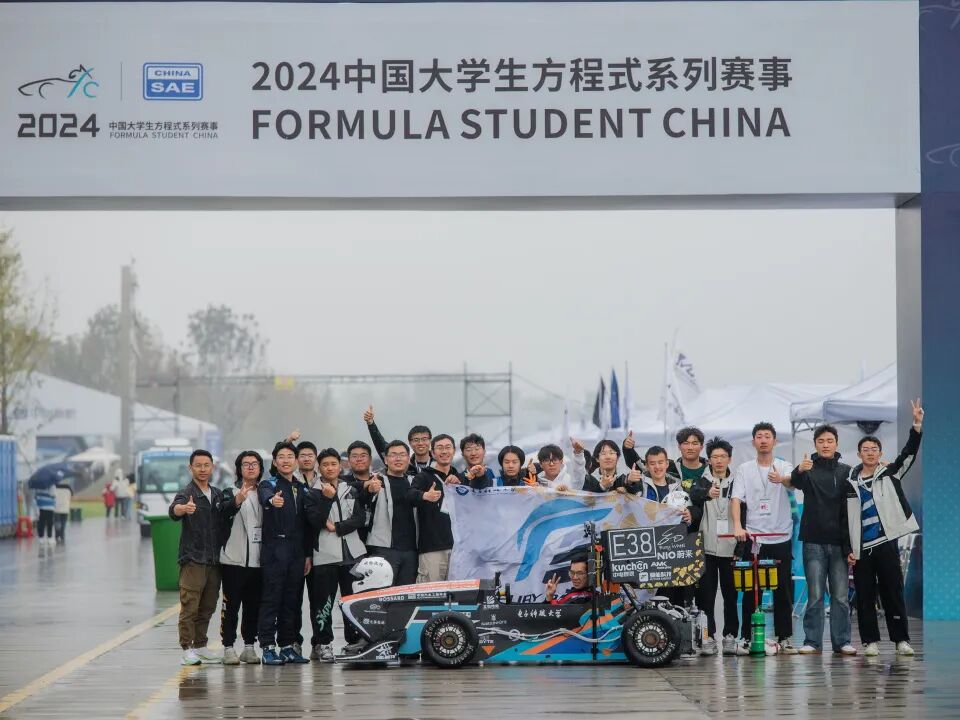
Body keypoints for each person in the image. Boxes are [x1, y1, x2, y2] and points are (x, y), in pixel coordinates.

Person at [842, 399, 924, 657]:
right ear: (859, 454)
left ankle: (901, 640)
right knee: (865, 596)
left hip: (886, 542)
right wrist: (848, 548)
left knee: (893, 592)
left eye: (874, 449)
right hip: (862, 548)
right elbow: (844, 519)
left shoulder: (890, 472)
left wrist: (917, 425)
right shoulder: (849, 483)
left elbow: (909, 453)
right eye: (865, 449)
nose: (870, 452)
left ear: (880, 452)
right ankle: (870, 642)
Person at [731, 422, 797, 656]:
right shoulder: (744, 468)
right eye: (759, 436)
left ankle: (785, 637)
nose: (763, 440)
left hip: (780, 535)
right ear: (753, 442)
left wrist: (782, 479)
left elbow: (793, 483)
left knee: (783, 590)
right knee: (751, 590)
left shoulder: (784, 465)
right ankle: (747, 637)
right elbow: (736, 499)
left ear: (775, 441)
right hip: (754, 536)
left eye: (767, 436)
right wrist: (738, 526)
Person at [789, 425, 855, 656]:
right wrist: (799, 469)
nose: (825, 445)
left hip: (839, 543)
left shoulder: (847, 472)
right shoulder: (807, 468)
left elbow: (852, 508)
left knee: (841, 596)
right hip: (813, 542)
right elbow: (795, 482)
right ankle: (812, 641)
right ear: (815, 444)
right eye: (821, 441)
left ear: (836, 443)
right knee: (815, 595)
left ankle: (842, 642)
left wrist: (850, 546)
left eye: (829, 440)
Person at [169, 449, 234, 666]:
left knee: (208, 606)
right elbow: (174, 510)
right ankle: (187, 648)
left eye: (206, 465)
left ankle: (200, 645)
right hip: (193, 559)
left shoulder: (217, 494)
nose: (203, 469)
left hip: (214, 561)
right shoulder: (187, 493)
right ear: (191, 468)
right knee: (190, 606)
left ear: (212, 467)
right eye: (198, 465)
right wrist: (183, 508)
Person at [304, 448, 366, 662]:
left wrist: (338, 527)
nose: (330, 468)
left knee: (352, 600)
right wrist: (327, 499)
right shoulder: (312, 492)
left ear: (340, 466)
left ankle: (354, 641)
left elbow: (360, 518)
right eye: (325, 465)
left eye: (333, 464)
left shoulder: (351, 489)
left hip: (353, 554)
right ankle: (323, 643)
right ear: (319, 468)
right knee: (324, 602)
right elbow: (314, 521)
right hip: (325, 556)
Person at [257, 442, 313, 666]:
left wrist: (307, 555)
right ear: (275, 461)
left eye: (290, 456)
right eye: (281, 456)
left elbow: (306, 525)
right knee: (272, 599)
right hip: (275, 551)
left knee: (292, 601)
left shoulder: (302, 487)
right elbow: (265, 496)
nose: (286, 460)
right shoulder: (268, 484)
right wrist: (273, 500)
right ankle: (268, 647)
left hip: (297, 553)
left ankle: (288, 646)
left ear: (296, 461)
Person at [690, 437, 739, 656]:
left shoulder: (738, 482)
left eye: (723, 456)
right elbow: (693, 496)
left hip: (731, 546)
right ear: (708, 460)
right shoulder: (701, 481)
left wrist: (741, 547)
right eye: (715, 457)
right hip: (706, 548)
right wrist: (706, 494)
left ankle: (730, 636)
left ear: (729, 459)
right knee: (706, 596)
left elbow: (744, 514)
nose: (719, 461)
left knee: (731, 595)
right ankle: (707, 636)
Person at [219, 451, 265, 666]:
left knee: (253, 606)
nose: (251, 467)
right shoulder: (229, 492)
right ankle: (228, 647)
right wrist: (236, 501)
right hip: (233, 560)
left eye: (255, 464)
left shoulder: (266, 492)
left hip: (258, 561)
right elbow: (222, 513)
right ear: (238, 469)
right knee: (231, 606)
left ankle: (249, 647)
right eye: (246, 464)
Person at [365, 440, 420, 586]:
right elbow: (363, 498)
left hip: (411, 550)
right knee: (382, 593)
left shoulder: (415, 482)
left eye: (402, 455)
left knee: (406, 594)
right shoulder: (376, 480)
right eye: (393, 455)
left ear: (408, 458)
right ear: (385, 459)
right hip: (383, 548)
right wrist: (369, 490)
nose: (398, 458)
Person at [410, 434, 460, 583]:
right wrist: (425, 495)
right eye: (440, 448)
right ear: (432, 453)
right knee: (430, 593)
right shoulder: (423, 477)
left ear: (454, 450)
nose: (444, 451)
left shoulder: (459, 477)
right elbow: (409, 496)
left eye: (448, 447)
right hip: (432, 548)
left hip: (458, 548)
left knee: (457, 593)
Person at [624, 427, 708, 494]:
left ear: (701, 447)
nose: (690, 447)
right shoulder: (669, 467)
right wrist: (628, 449)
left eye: (695, 443)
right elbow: (641, 465)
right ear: (679, 446)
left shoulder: (711, 470)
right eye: (686, 443)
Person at [363, 405, 433, 477]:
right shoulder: (404, 464)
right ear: (410, 443)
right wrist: (371, 424)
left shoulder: (438, 463)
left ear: (430, 441)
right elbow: (381, 445)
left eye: (424, 439)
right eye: (416, 440)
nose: (420, 443)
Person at [35, 481, 56, 547]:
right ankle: (49, 538)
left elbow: (36, 496)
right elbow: (53, 495)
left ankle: (41, 538)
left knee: (41, 522)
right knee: (50, 522)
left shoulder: (38, 485)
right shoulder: (52, 485)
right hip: (50, 506)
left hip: (41, 506)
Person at [53, 477, 72, 544]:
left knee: (57, 523)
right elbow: (70, 496)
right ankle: (62, 536)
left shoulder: (54, 487)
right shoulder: (68, 488)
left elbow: (53, 496)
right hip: (65, 508)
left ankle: (57, 535)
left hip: (57, 508)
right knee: (63, 523)